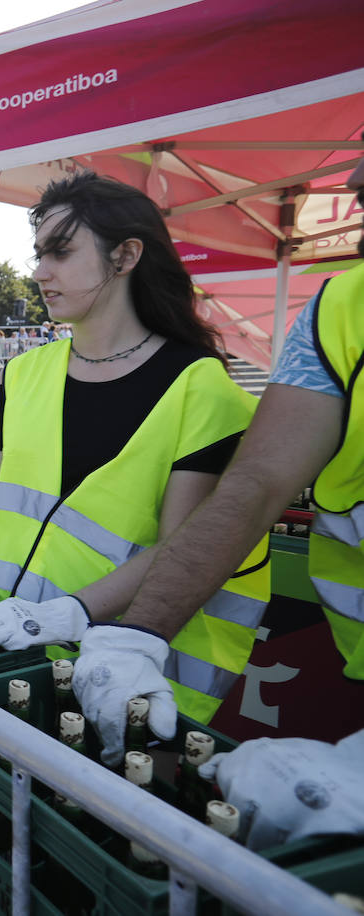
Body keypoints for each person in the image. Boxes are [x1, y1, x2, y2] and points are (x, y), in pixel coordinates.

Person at [0, 172, 270, 740]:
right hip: (2, 654)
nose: (39, 272)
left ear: (125, 256)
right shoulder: (23, 373)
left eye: (61, 252)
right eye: (38, 254)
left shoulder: (204, 391)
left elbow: (184, 548)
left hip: (121, 678)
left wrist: (68, 612)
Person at [70, 156, 364, 850]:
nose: (352, 186)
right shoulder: (341, 308)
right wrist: (134, 637)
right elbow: (258, 479)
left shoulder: (198, 383)